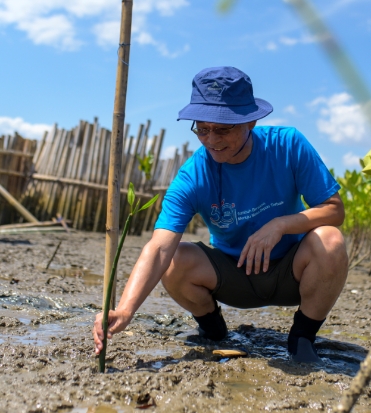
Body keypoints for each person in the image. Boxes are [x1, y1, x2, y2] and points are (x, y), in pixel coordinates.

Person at [92, 66, 348, 363]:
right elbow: (159, 247)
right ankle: (214, 330)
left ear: (250, 121)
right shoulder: (193, 175)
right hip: (233, 274)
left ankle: (302, 338)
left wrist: (280, 225)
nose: (211, 140)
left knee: (330, 240)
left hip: (292, 272)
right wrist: (125, 309)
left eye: (223, 129)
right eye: (202, 128)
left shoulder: (287, 145)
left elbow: (334, 209)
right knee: (175, 261)